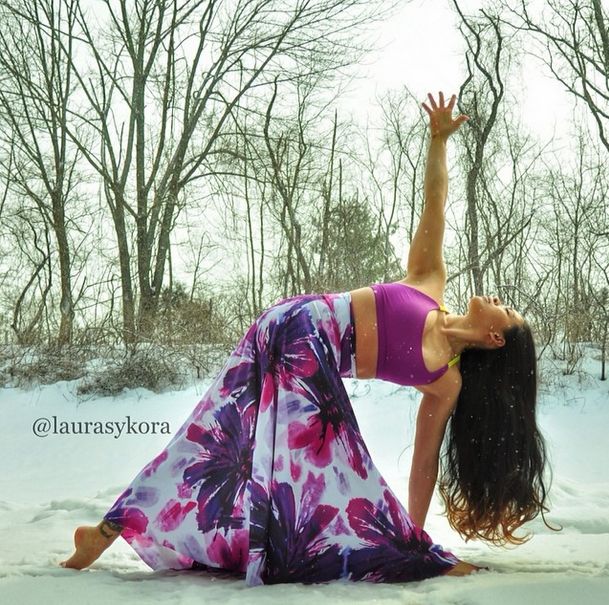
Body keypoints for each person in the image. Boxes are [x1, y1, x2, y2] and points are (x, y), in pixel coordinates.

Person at [60, 92, 551, 584]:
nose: (499, 300)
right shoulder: (429, 283)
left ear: (496, 338)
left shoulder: (445, 381)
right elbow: (435, 205)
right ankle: (358, 544)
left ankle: (106, 528)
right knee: (266, 442)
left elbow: (424, 462)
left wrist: (413, 538)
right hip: (290, 321)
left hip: (301, 342)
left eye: (507, 312)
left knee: (215, 438)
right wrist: (437, 141)